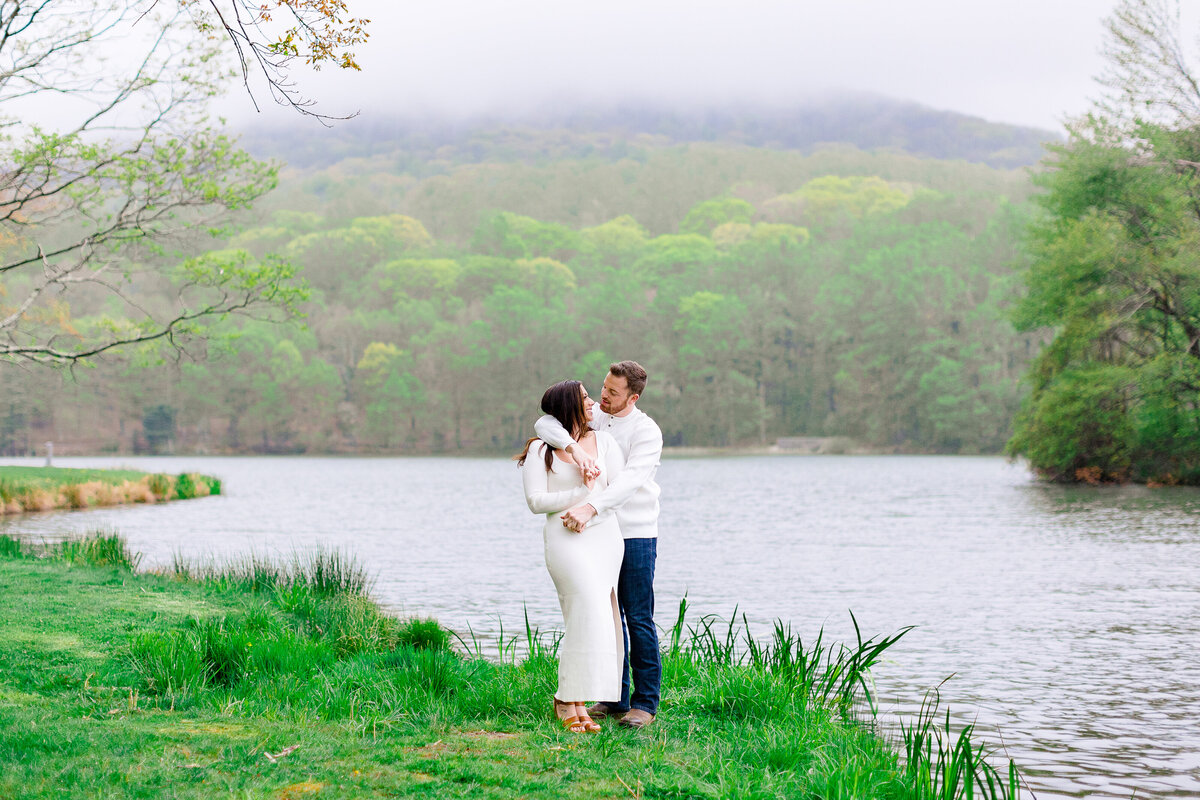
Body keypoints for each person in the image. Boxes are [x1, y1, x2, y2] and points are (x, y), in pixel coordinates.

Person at [534, 360, 663, 729]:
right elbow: (544, 423)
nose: (603, 396)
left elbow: (629, 481)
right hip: (597, 534)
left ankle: (644, 703)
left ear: (632, 397)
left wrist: (590, 506)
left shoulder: (646, 431)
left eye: (613, 392)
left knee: (637, 616)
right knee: (607, 617)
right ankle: (613, 696)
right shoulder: (597, 418)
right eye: (603, 388)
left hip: (635, 531)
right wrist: (572, 449)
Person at [517, 380, 625, 734]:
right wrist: (579, 492)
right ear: (569, 406)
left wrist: (590, 508)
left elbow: (615, 493)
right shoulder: (541, 449)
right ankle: (566, 700)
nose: (593, 401)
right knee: (582, 615)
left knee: (597, 620)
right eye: (585, 398)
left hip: (604, 538)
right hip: (565, 539)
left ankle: (579, 702)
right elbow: (536, 502)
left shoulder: (605, 442)